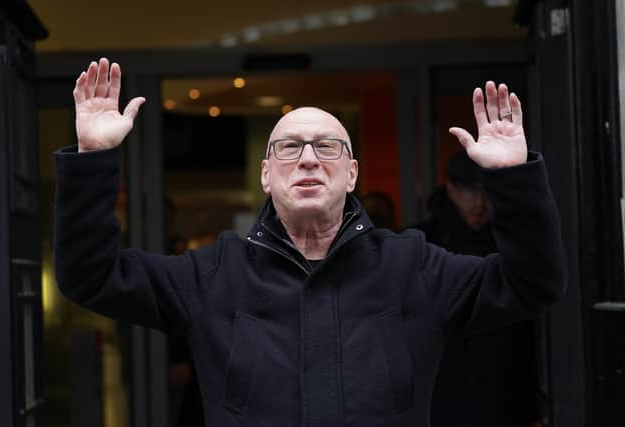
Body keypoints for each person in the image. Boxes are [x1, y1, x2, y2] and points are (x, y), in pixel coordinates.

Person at [54, 58, 565, 427]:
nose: (307, 158)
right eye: (288, 148)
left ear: (351, 174)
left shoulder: (414, 267)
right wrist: (92, 159)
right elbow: (90, 276)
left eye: (326, 146)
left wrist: (512, 178)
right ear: (265, 175)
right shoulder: (210, 276)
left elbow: (532, 285)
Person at [417, 151, 538, 427]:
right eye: (470, 191)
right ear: (451, 190)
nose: (480, 202)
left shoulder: (513, 243)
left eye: (488, 192)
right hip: (439, 393)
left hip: (505, 390)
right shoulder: (419, 246)